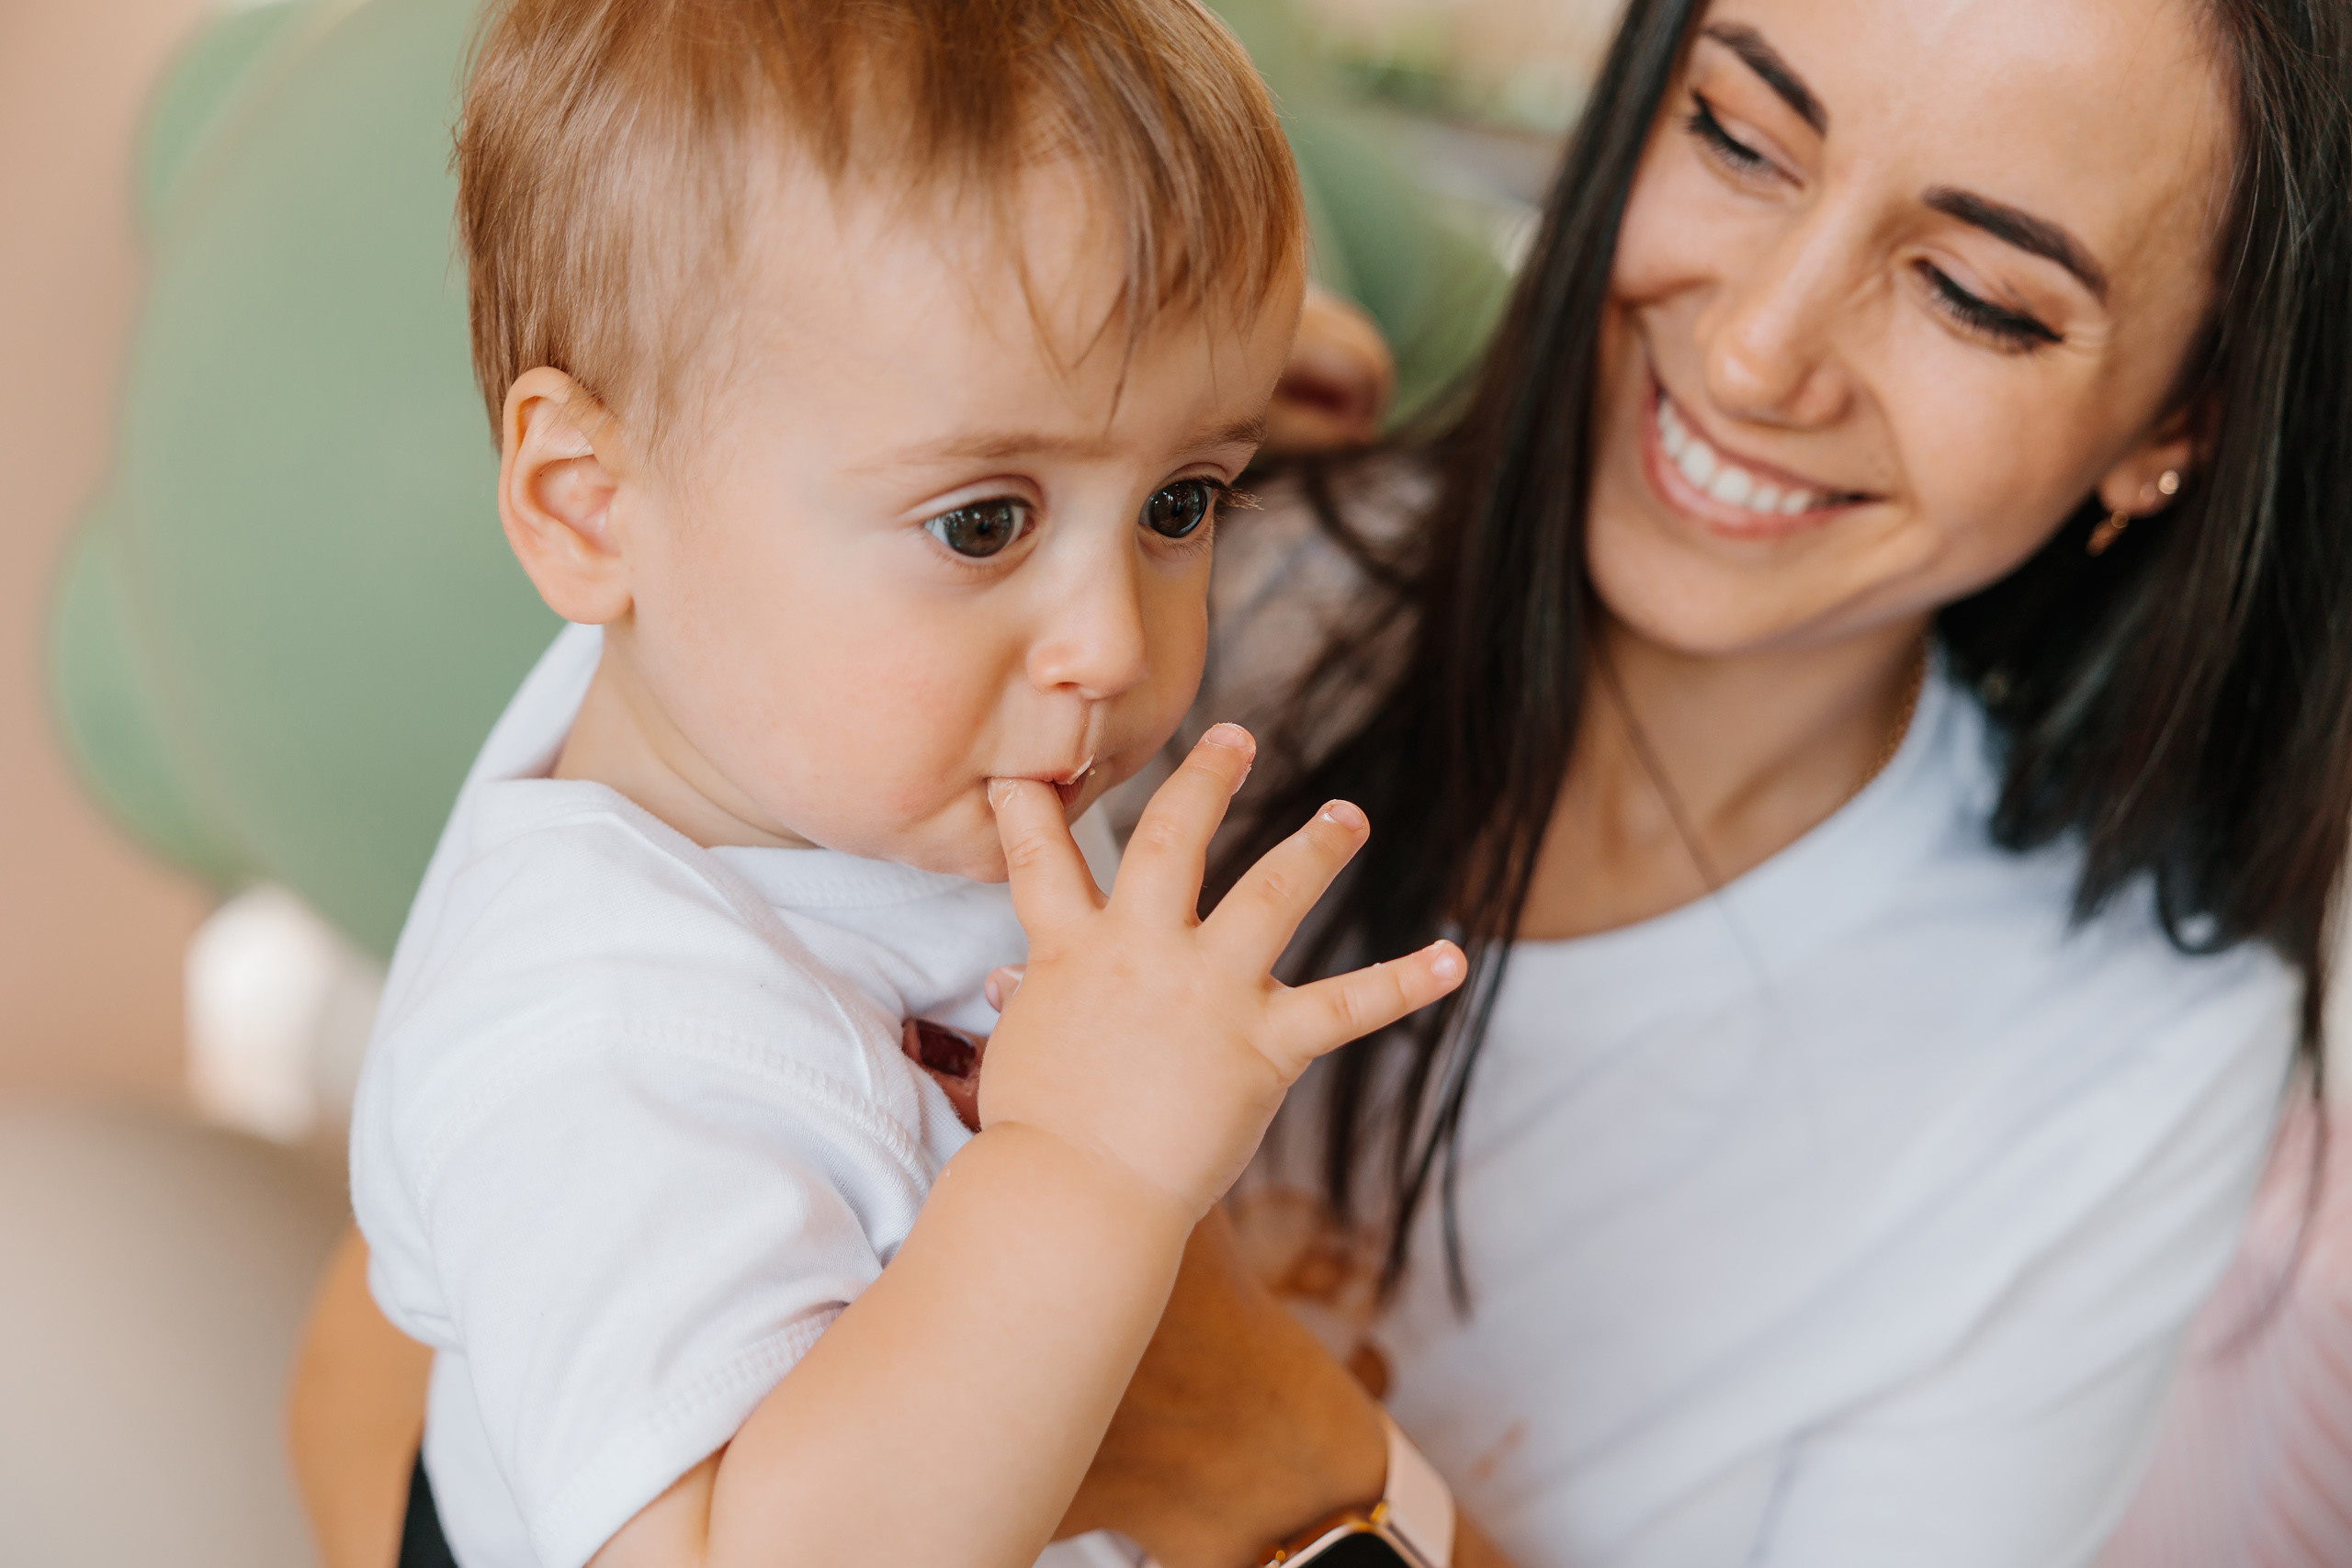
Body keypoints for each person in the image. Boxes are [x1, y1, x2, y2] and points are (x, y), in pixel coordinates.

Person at [302, 0, 2352, 1563]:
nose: (1754, 356)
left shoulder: (2120, 1070)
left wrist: (1301, 1476)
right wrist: (1095, 408)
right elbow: (403, 1361)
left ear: (2173, 419)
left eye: (1974, 291)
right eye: (1731, 132)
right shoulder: (1122, 639)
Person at [343, 3, 1467, 1567]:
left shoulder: (776, 701)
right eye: (982, 526)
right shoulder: (603, 1041)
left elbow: (901, 374)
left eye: (1184, 499)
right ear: (590, 512)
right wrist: (1086, 1172)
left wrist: (1177, 372)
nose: (1109, 640)